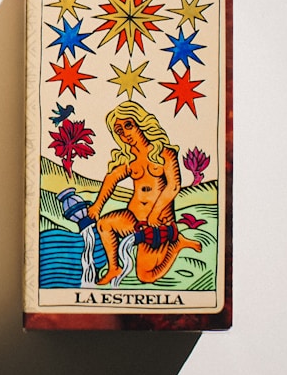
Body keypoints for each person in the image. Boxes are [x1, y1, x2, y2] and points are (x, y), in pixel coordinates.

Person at [86, 101, 202, 285]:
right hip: (133, 219)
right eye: (119, 131)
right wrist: (97, 205)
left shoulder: (165, 153)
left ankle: (177, 245)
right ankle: (114, 267)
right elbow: (111, 178)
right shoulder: (129, 159)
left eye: (128, 125)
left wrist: (155, 213)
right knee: (104, 224)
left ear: (141, 123)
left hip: (159, 223)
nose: (125, 134)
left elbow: (173, 186)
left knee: (145, 277)